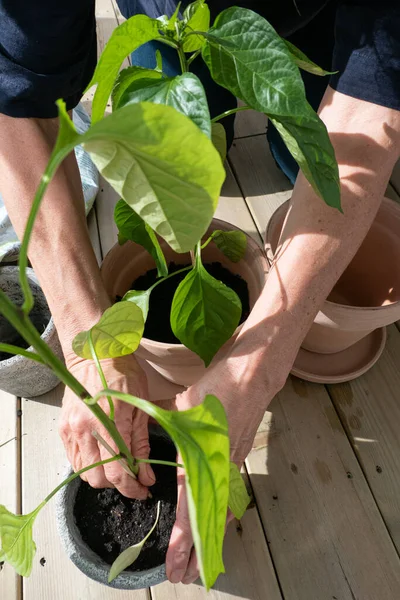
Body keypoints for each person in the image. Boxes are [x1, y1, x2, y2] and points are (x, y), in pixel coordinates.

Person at [0, 0, 398, 586]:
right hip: (169, 21)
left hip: (312, 19)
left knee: (301, 159)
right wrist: (89, 347)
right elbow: (20, 105)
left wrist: (259, 366)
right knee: (182, 132)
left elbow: (371, 108)